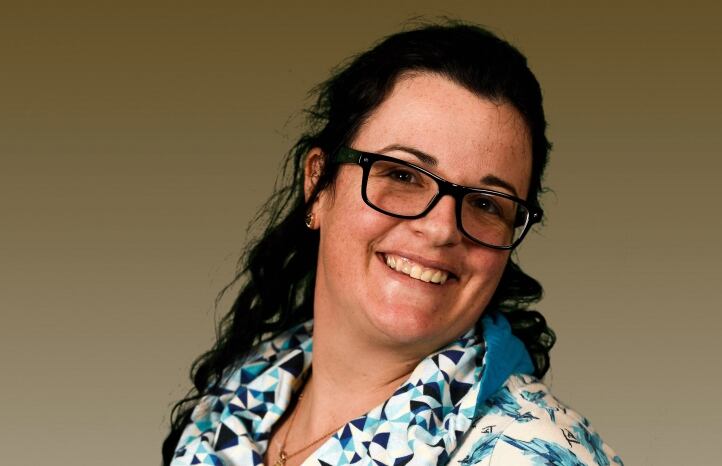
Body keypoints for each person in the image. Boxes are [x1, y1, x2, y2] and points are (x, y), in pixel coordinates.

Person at [162, 22, 623, 466]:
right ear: (319, 184)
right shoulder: (236, 403)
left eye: (486, 204)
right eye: (402, 175)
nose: (442, 228)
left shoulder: (531, 453)